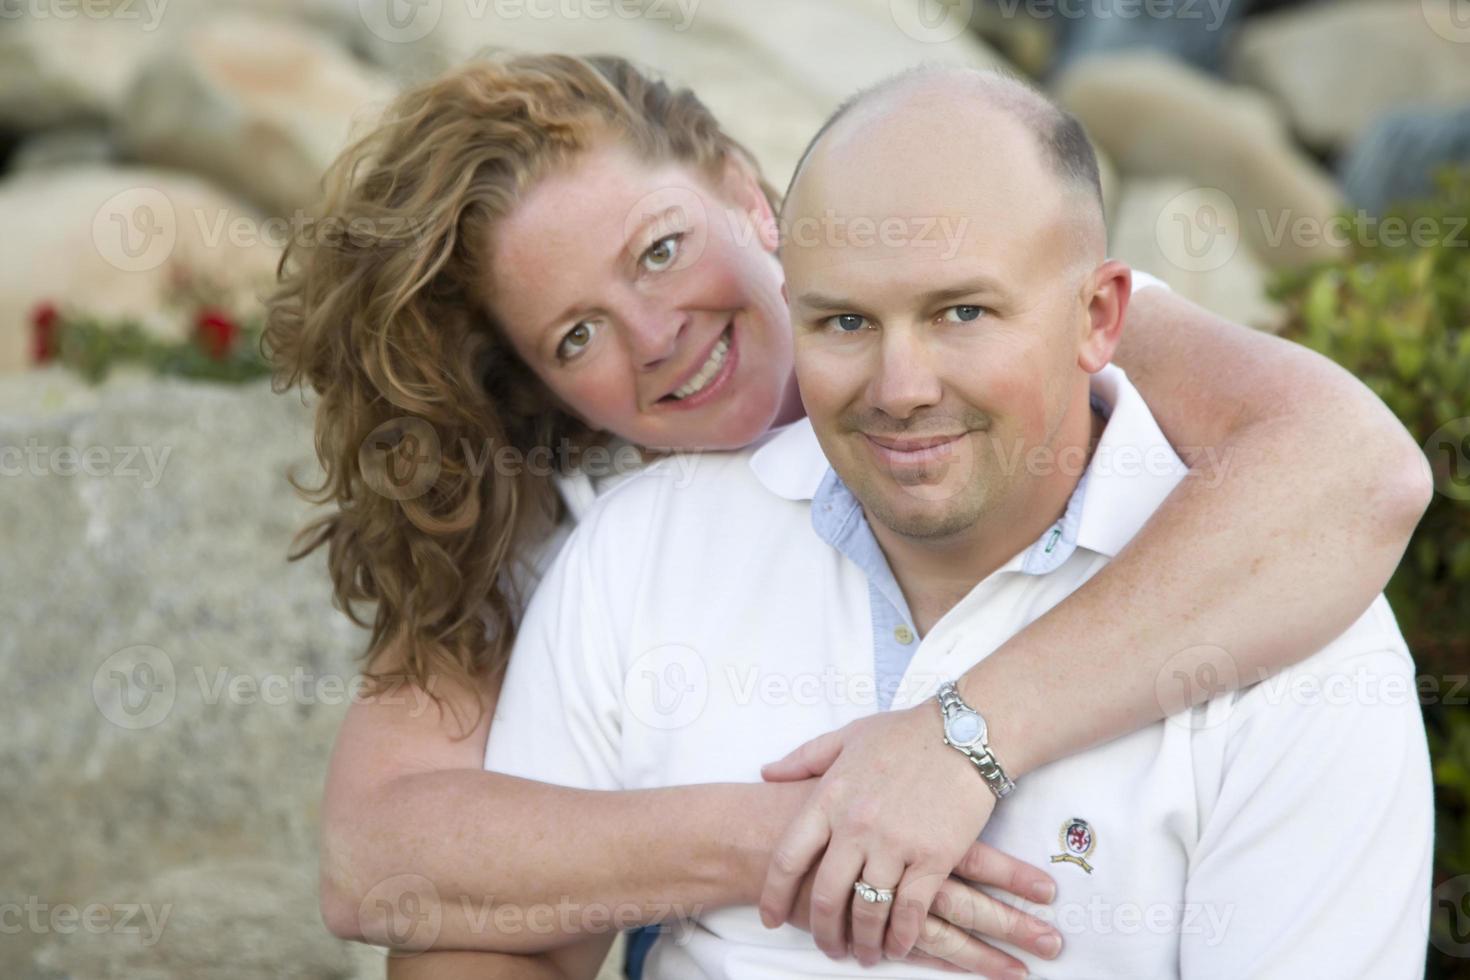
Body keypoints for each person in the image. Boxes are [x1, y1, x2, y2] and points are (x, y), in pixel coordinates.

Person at [261, 53, 1431, 976]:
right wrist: (802, 834)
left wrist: (962, 738)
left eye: (661, 249)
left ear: (741, 190)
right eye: (578, 334)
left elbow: (1355, 470)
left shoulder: (1000, 268)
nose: (656, 332)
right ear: (545, 385)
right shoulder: (612, 534)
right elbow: (382, 860)